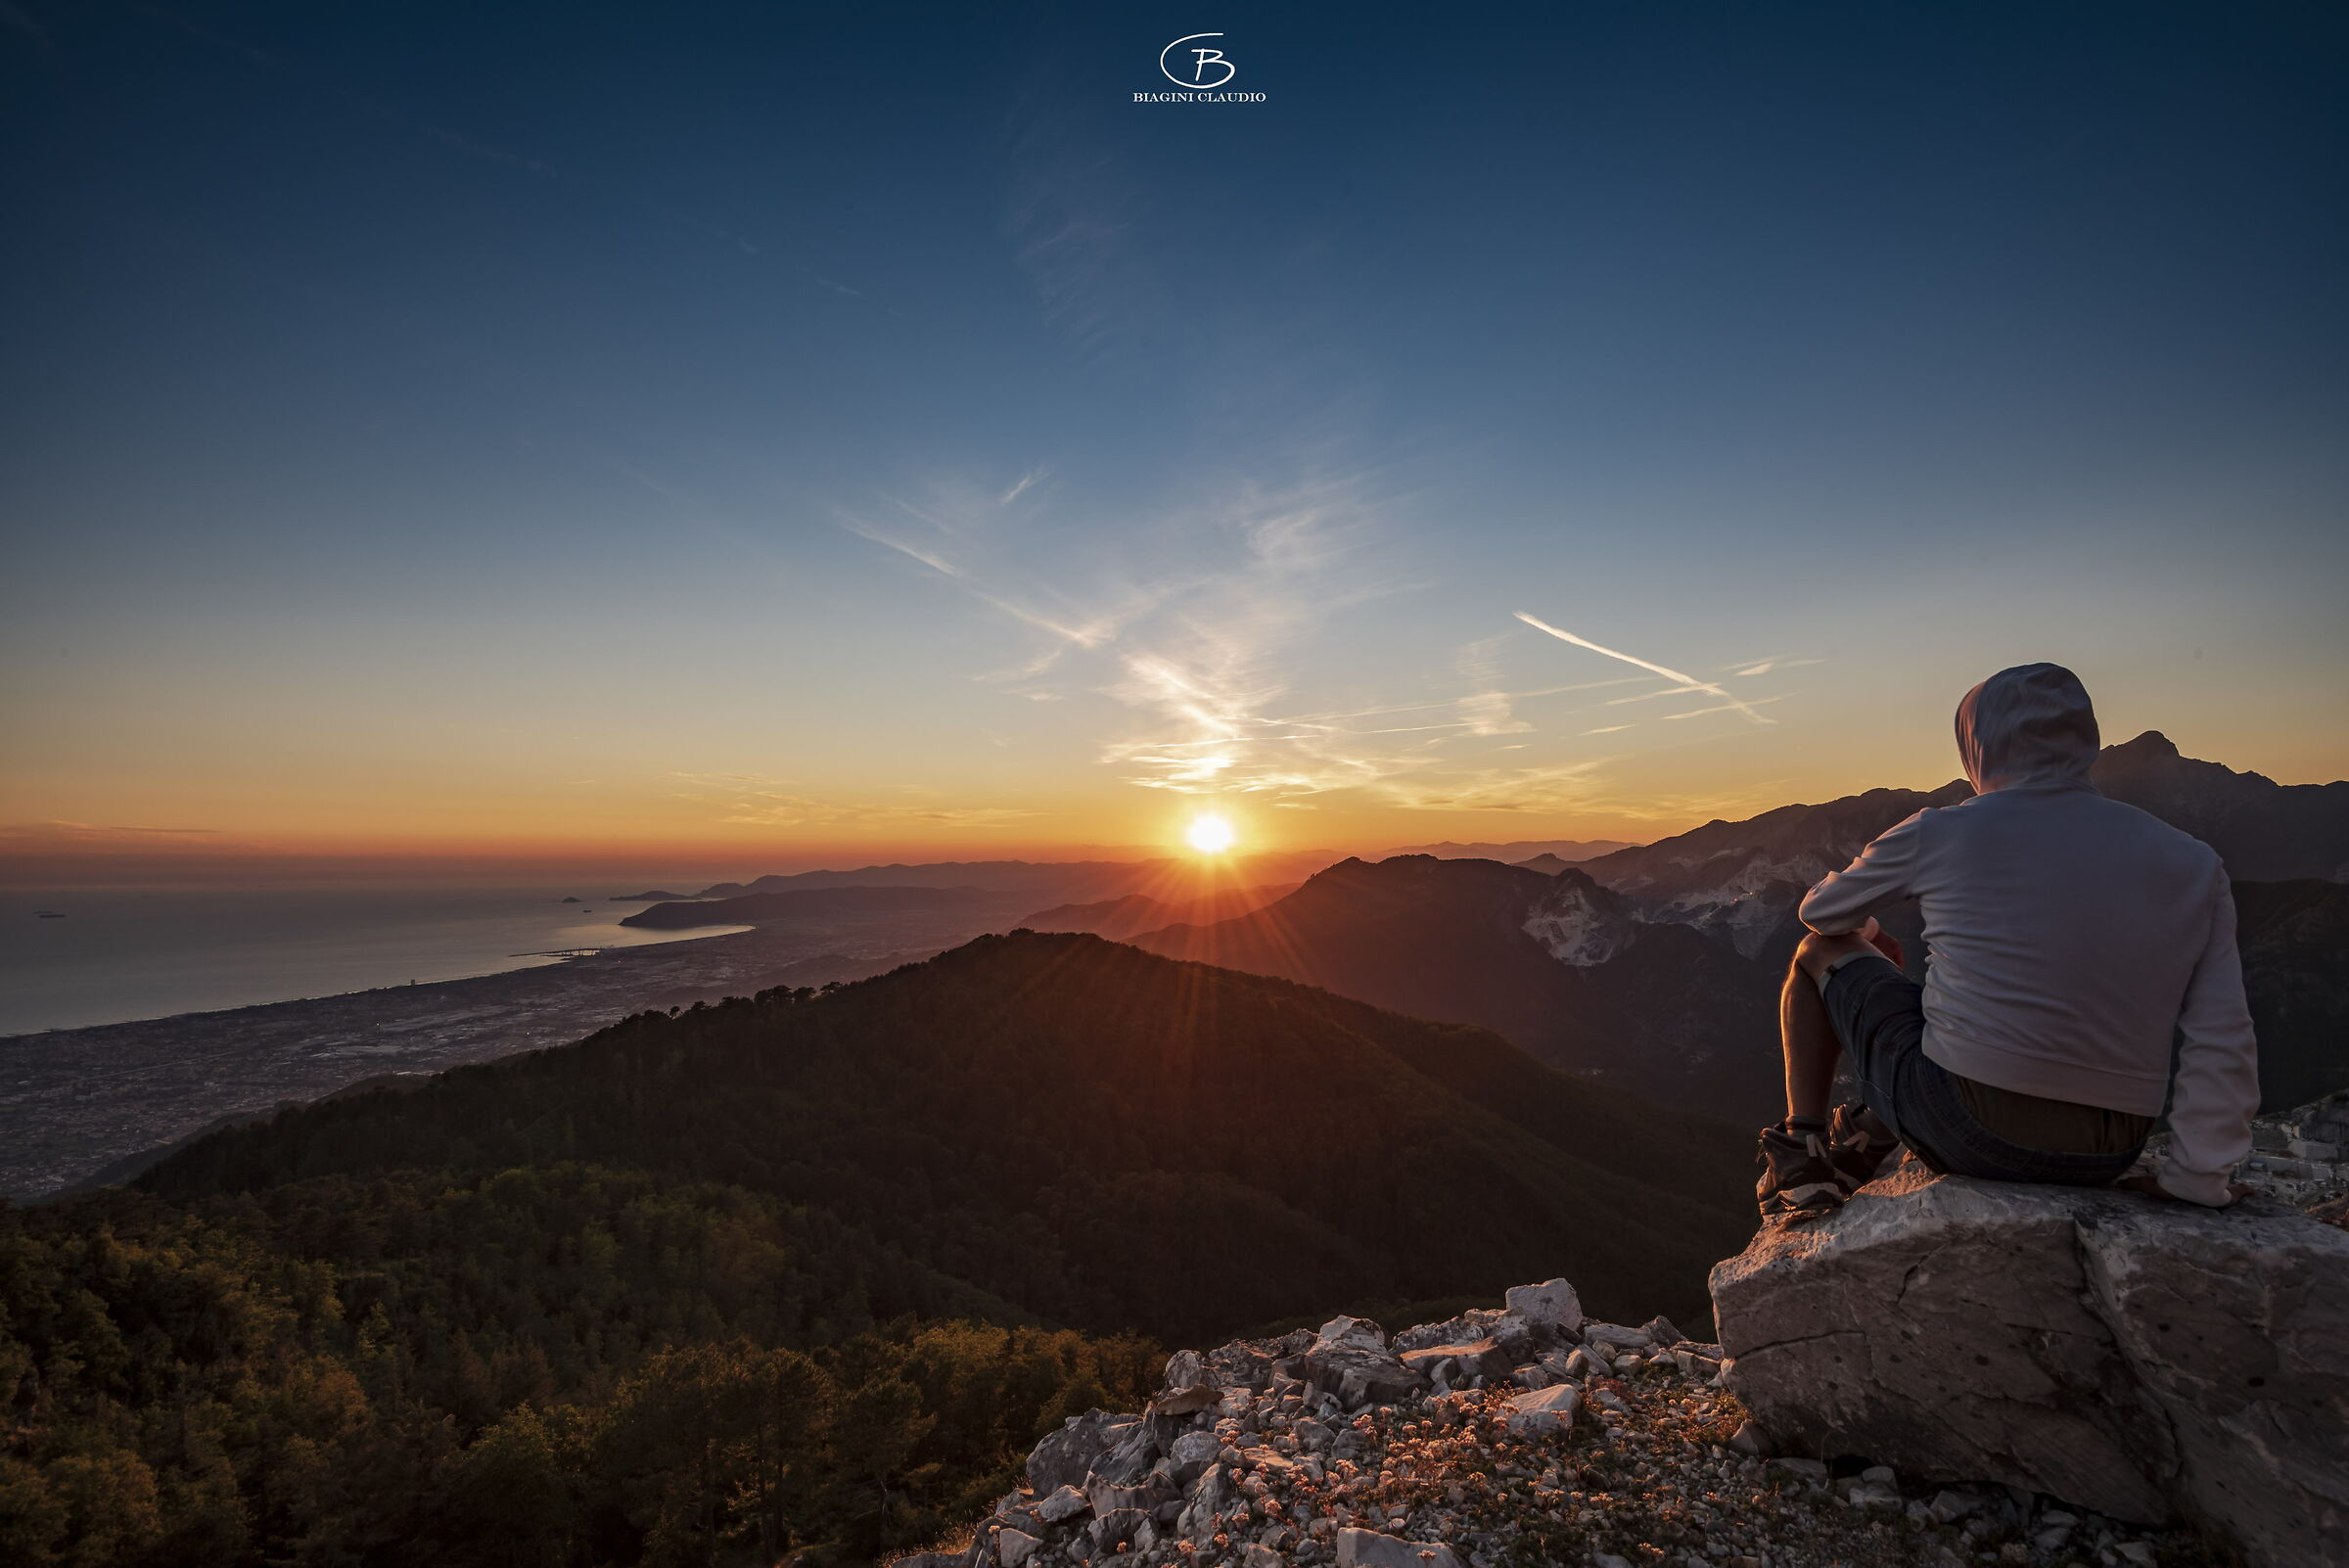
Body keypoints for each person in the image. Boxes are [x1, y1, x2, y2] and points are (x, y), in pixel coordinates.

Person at [1755, 662, 2259, 1220]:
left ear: (1976, 745)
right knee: (1945, 1010)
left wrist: (1870, 932)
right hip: (2110, 1150)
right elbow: (2223, 1031)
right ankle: (1870, 1128)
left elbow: (1820, 913)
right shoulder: (2194, 862)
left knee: (1817, 953)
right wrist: (2197, 1178)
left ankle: (1801, 1153)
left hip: (1969, 1131)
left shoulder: (1942, 830)